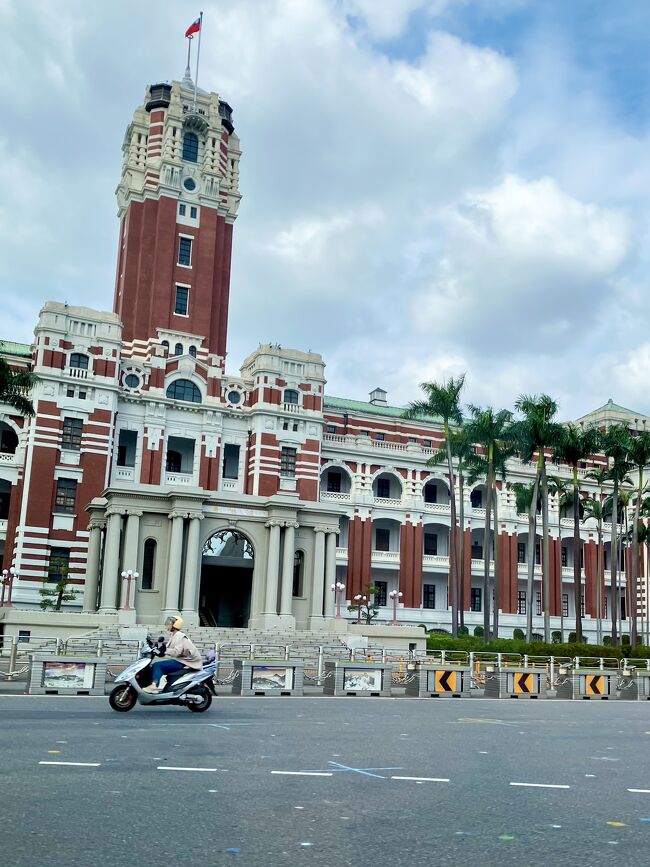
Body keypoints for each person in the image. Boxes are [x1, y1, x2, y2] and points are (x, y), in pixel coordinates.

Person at [143, 616, 203, 693]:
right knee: (155, 665)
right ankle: (151, 684)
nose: (167, 625)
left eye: (169, 623)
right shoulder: (174, 635)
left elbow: (176, 652)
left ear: (175, 625)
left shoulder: (179, 635)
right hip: (181, 660)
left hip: (185, 662)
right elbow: (167, 648)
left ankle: (154, 685)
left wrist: (164, 650)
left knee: (157, 665)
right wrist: (156, 646)